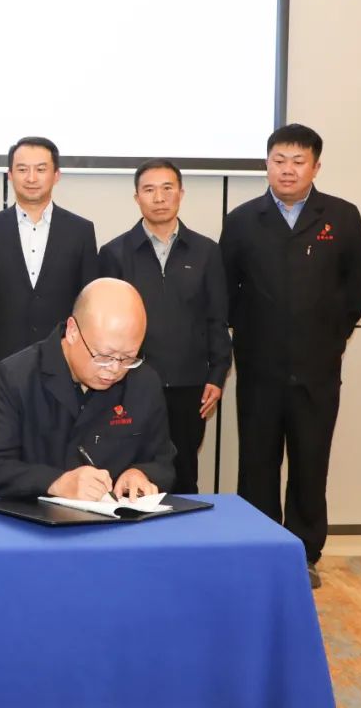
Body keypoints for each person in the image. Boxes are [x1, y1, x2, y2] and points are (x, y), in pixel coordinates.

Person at [220, 123, 361, 588]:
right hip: (259, 367)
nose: (287, 170)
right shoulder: (242, 220)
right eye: (279, 160)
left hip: (317, 368)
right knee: (257, 463)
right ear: (266, 164)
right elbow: (227, 291)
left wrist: (331, 335)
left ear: (316, 166)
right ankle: (258, 547)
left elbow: (358, 285)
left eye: (298, 161)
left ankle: (303, 553)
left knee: (310, 462)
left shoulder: (342, 217)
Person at [0, 278, 175, 499]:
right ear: (72, 331)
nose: (115, 369)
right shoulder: (17, 377)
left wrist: (141, 474)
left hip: (116, 517)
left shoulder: (144, 382)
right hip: (36, 517)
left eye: (128, 357)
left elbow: (163, 462)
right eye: (104, 356)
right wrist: (55, 483)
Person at [98, 159, 231, 493]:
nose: (159, 198)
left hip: (189, 385)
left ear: (181, 194)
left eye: (167, 188)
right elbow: (103, 325)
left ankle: (183, 528)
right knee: (127, 471)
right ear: (136, 198)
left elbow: (217, 319)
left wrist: (217, 376)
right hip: (129, 384)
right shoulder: (114, 253)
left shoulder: (206, 251)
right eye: (149, 189)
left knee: (183, 473)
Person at [0, 136, 97, 406]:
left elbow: (89, 306)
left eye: (41, 169)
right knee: (3, 434)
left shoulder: (80, 230)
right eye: (22, 169)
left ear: (56, 175)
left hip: (65, 364)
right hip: (1, 364)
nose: (31, 178)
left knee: (62, 434)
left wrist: (88, 360)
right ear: (10, 175)